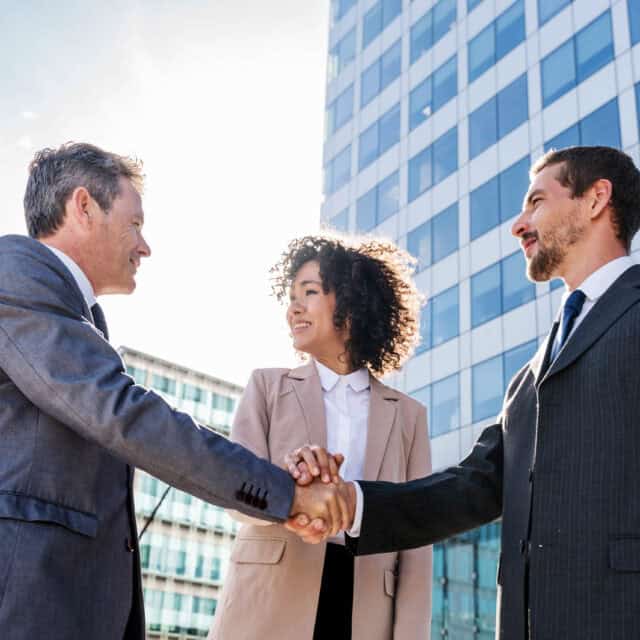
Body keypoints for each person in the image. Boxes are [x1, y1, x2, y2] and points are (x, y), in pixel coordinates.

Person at [288, 146, 640, 640]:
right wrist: (351, 502)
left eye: (536, 201)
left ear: (596, 198)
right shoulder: (528, 379)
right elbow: (473, 487)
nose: (518, 224)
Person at [0, 143, 346, 640]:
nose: (144, 246)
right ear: (83, 206)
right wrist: (287, 494)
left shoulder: (80, 315)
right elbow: (124, 416)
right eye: (134, 223)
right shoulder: (15, 274)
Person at [209, 236, 432, 640]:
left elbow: (417, 541)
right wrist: (290, 482)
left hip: (365, 608)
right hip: (269, 601)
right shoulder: (265, 386)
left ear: (350, 304)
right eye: (291, 296)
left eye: (309, 292)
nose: (293, 307)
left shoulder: (410, 416)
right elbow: (235, 493)